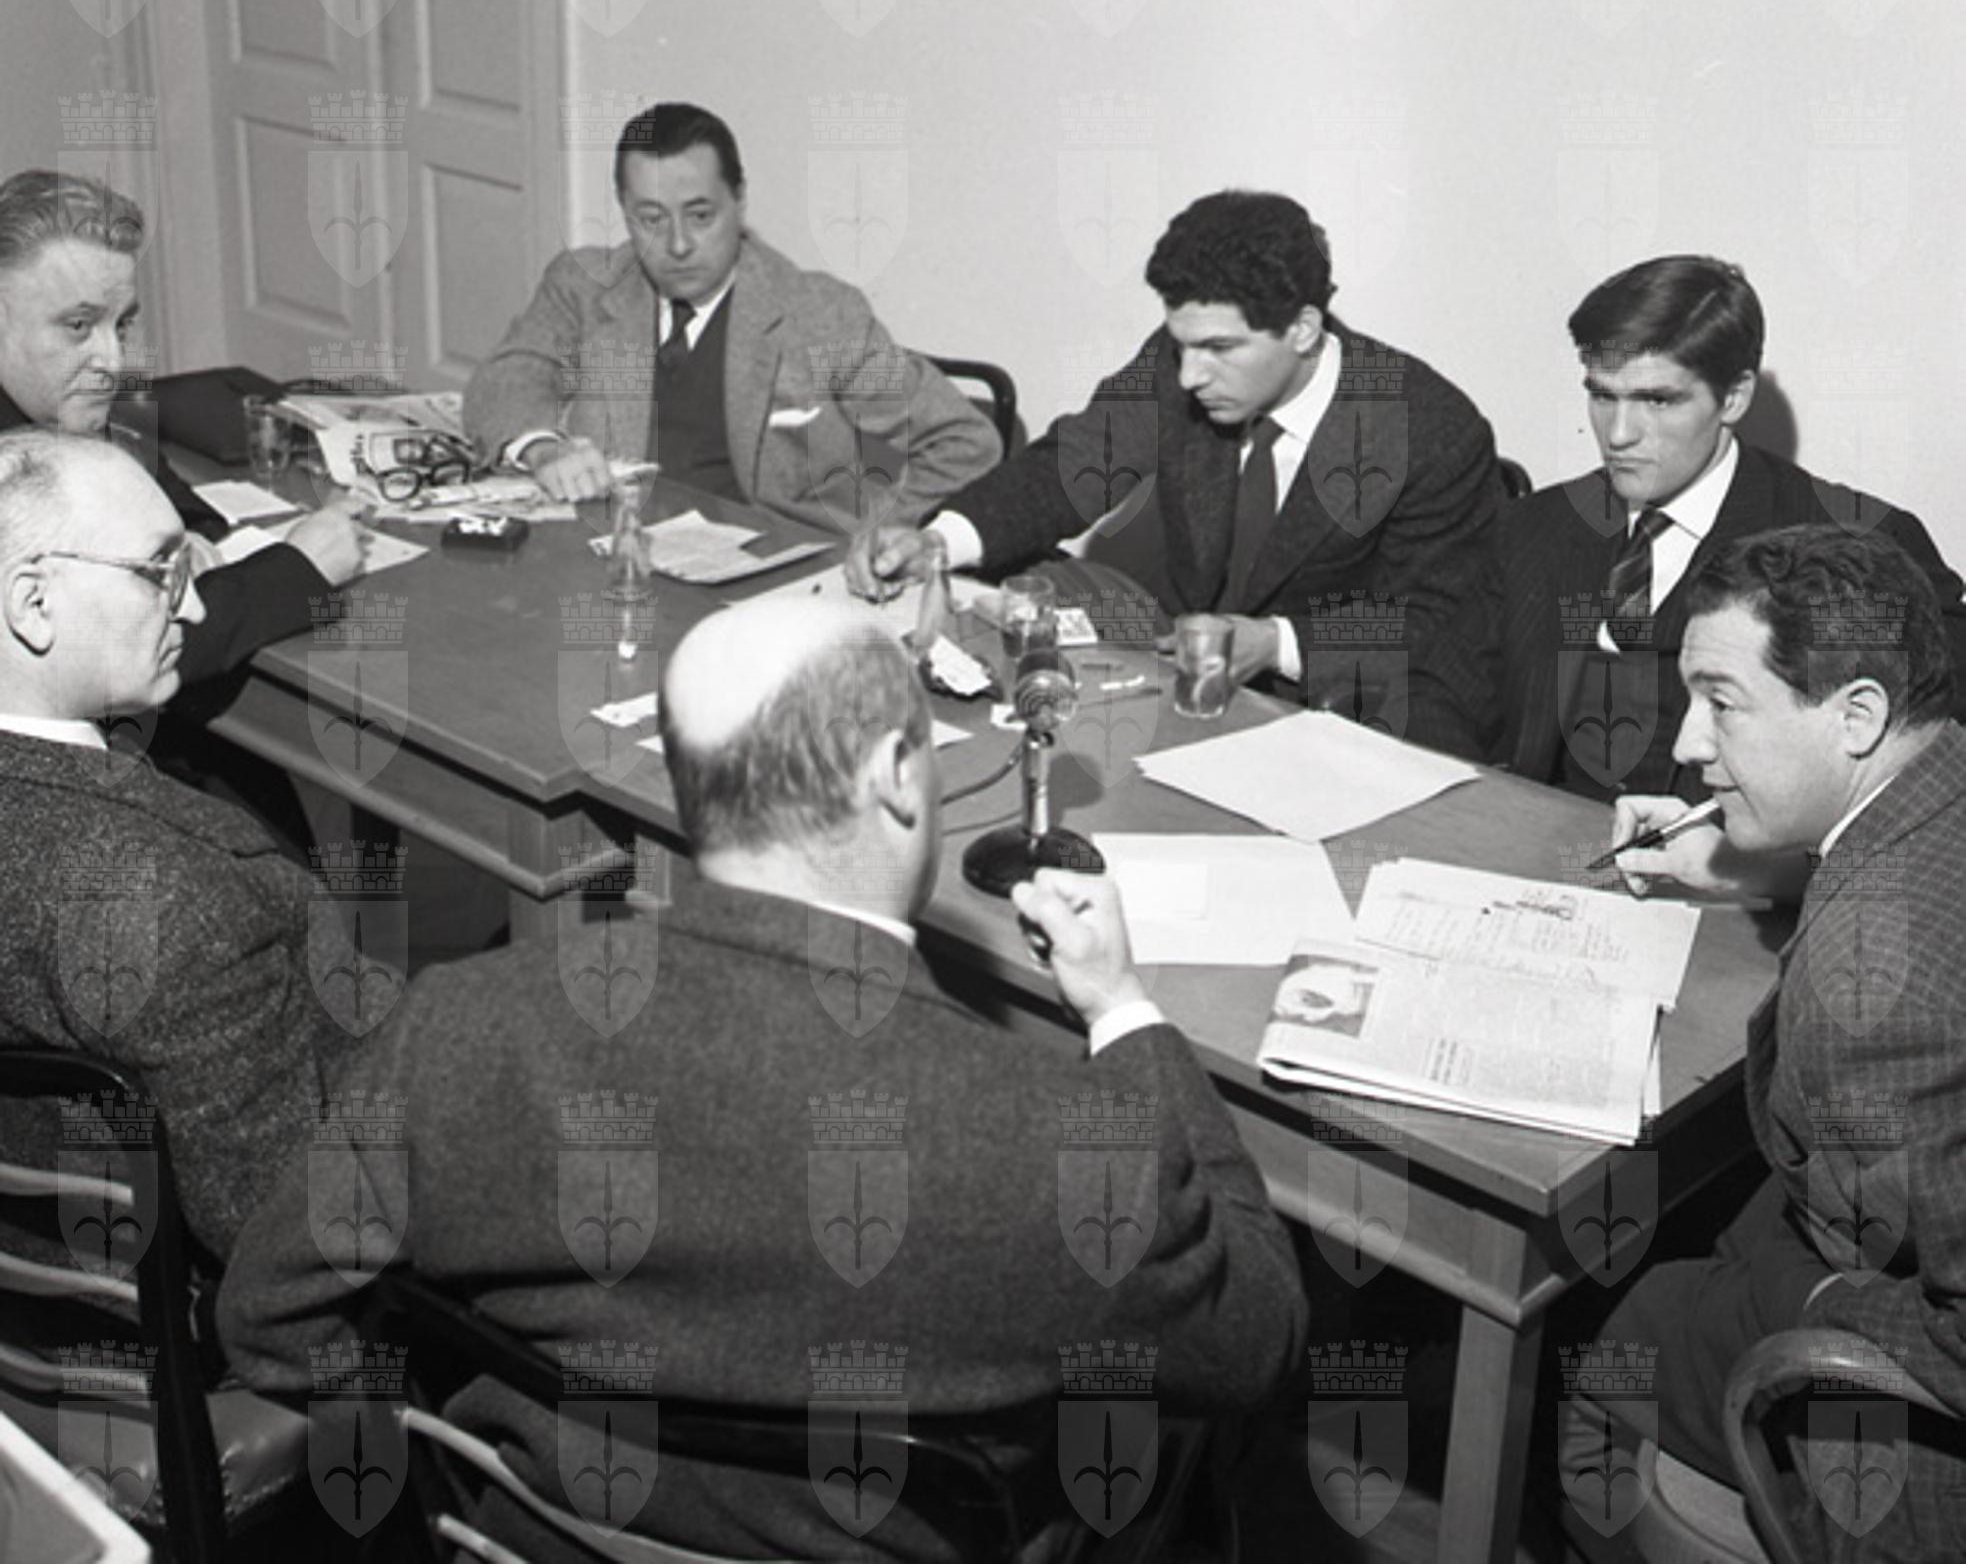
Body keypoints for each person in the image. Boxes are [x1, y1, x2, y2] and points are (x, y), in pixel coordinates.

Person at [219, 595, 1312, 1561]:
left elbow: (269, 1316)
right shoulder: (1058, 1145)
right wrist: (1124, 1011)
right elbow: (1258, 1340)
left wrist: (456, 1438)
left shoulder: (454, 1025)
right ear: (896, 776)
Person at [1561, 525, 1966, 1563]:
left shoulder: (1870, 996)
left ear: (1857, 715)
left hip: (1920, 1430)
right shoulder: (1940, 771)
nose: (1690, 743)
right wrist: (1741, 859)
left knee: (1613, 1336)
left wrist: (1816, 1299)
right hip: (1873, 1220)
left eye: (1722, 702)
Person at [847, 189, 1505, 759]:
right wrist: (939, 540)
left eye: (1218, 348)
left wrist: (1275, 643)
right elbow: (1074, 464)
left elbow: (1442, 627)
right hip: (1189, 687)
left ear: (1304, 329)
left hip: (1340, 713)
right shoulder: (1180, 363)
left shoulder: (1431, 430)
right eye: (1181, 345)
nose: (1189, 375)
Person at [0, 430, 341, 1285]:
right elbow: (286, 1239)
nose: (190, 610)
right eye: (159, 572)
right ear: (32, 604)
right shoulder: (173, 899)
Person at [1498, 255, 1966, 800]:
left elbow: (1932, 764)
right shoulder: (1532, 527)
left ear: (1734, 397)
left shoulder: (1863, 545)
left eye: (1657, 400)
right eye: (1602, 395)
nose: (1619, 434)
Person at [463, 101, 1000, 531]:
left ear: (739, 201)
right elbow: (505, 381)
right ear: (623, 209)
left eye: (700, 216)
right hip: (614, 557)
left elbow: (964, 444)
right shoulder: (584, 286)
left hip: (770, 586)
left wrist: (874, 536)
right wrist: (543, 450)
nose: (678, 244)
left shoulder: (818, 315)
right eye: (651, 219)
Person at [0, 171, 367, 695]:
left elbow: (187, 514)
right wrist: (298, 570)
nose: (113, 361)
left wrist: (187, 547)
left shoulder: (71, 410)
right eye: (78, 326)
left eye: (121, 325)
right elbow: (99, 658)